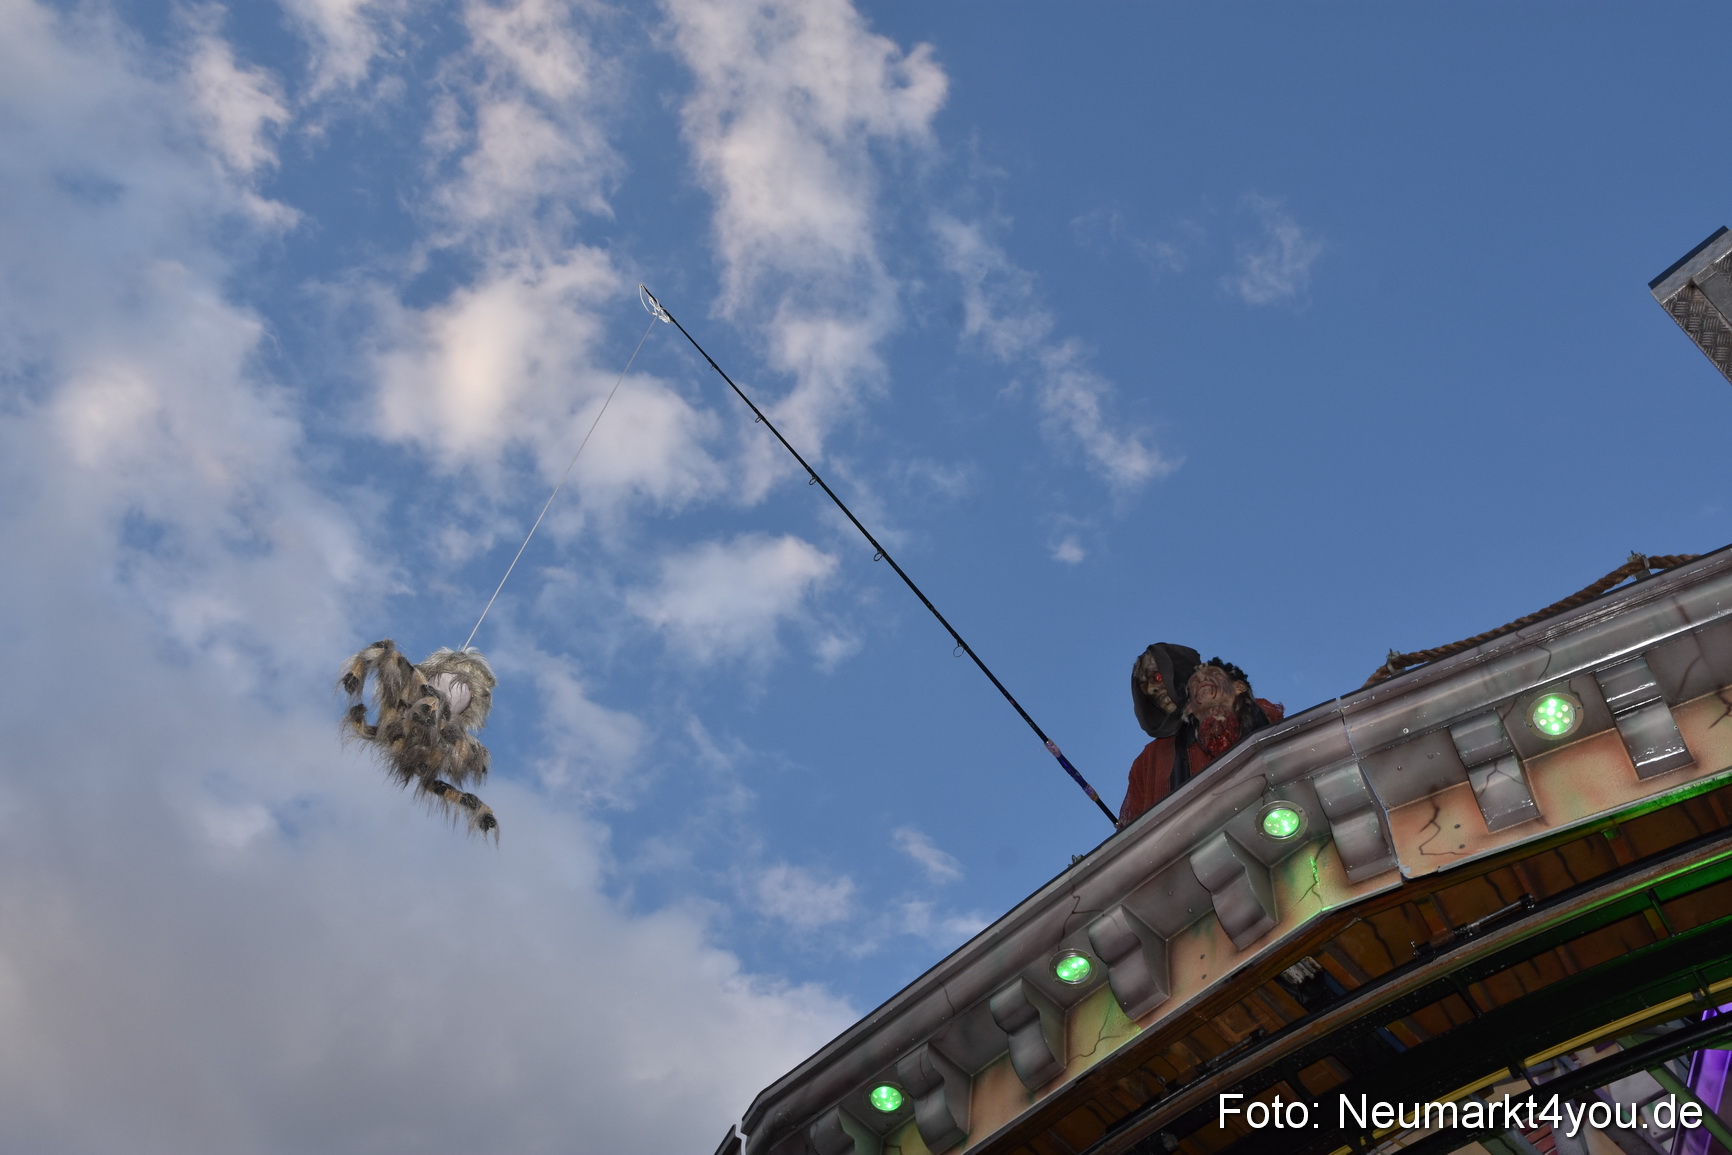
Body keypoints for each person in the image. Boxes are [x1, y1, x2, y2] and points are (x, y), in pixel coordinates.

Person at [1119, 647, 1284, 828]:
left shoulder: (1244, 709)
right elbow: (1135, 826)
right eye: (1144, 687)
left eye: (1157, 677)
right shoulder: (1146, 762)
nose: (1152, 689)